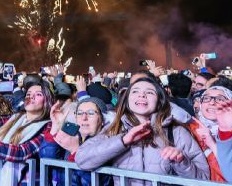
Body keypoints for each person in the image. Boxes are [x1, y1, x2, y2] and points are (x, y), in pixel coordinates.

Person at [75, 77, 209, 185]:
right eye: (135, 91)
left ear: (159, 100)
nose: (142, 95)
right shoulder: (115, 129)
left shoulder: (177, 132)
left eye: (149, 92)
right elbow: (81, 159)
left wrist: (182, 161)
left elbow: (203, 179)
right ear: (127, 100)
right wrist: (123, 141)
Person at [40, 97, 112, 186]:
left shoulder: (108, 143)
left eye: (91, 113)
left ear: (103, 120)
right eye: (80, 113)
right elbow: (46, 159)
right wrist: (56, 126)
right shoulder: (71, 135)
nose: (84, 117)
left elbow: (97, 182)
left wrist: (76, 152)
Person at [188, 86, 232, 182]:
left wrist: (212, 144)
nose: (212, 102)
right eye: (206, 98)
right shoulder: (188, 129)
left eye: (220, 99)